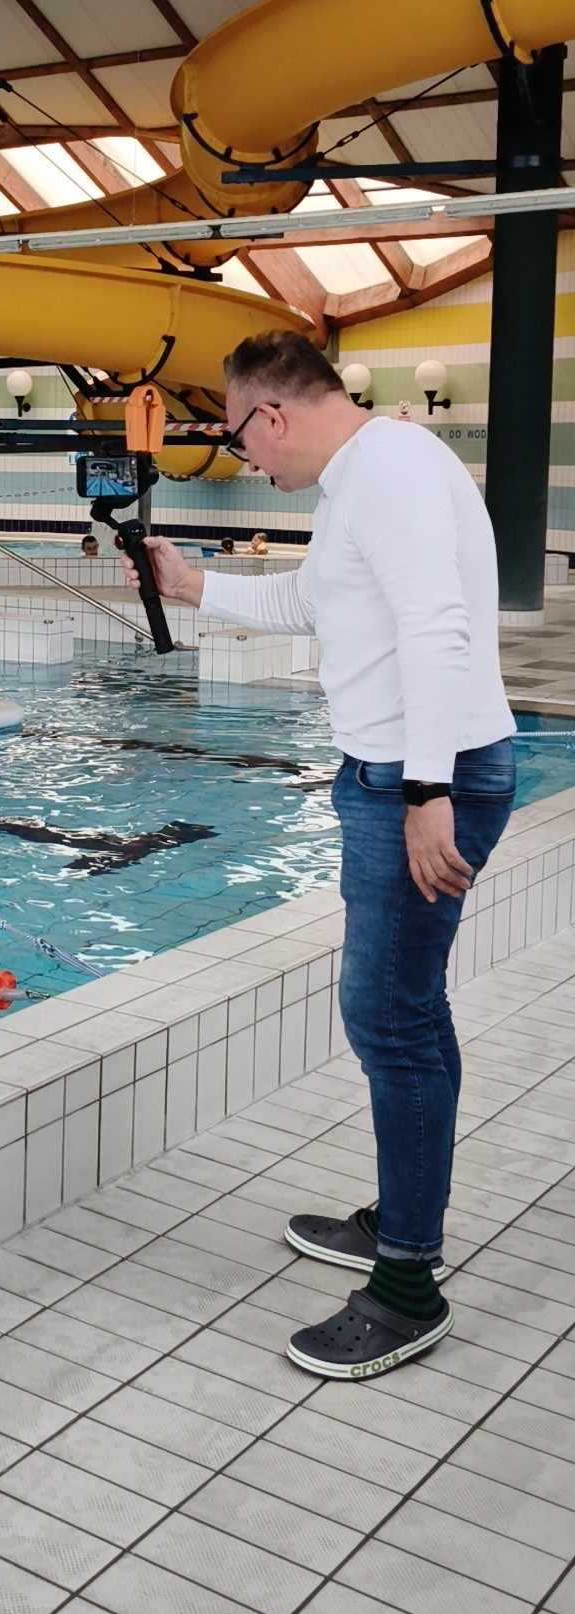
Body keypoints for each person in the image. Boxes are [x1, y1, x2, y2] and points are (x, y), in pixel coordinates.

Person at [123, 330, 515, 1381]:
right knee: (409, 1010)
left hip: (420, 778)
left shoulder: (388, 471)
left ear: (273, 414)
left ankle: (408, 1283)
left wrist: (426, 789)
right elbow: (312, 599)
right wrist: (194, 586)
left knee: (388, 1017)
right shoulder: (362, 478)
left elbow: (436, 629)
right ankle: (406, 1214)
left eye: (238, 437)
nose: (245, 458)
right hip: (398, 772)